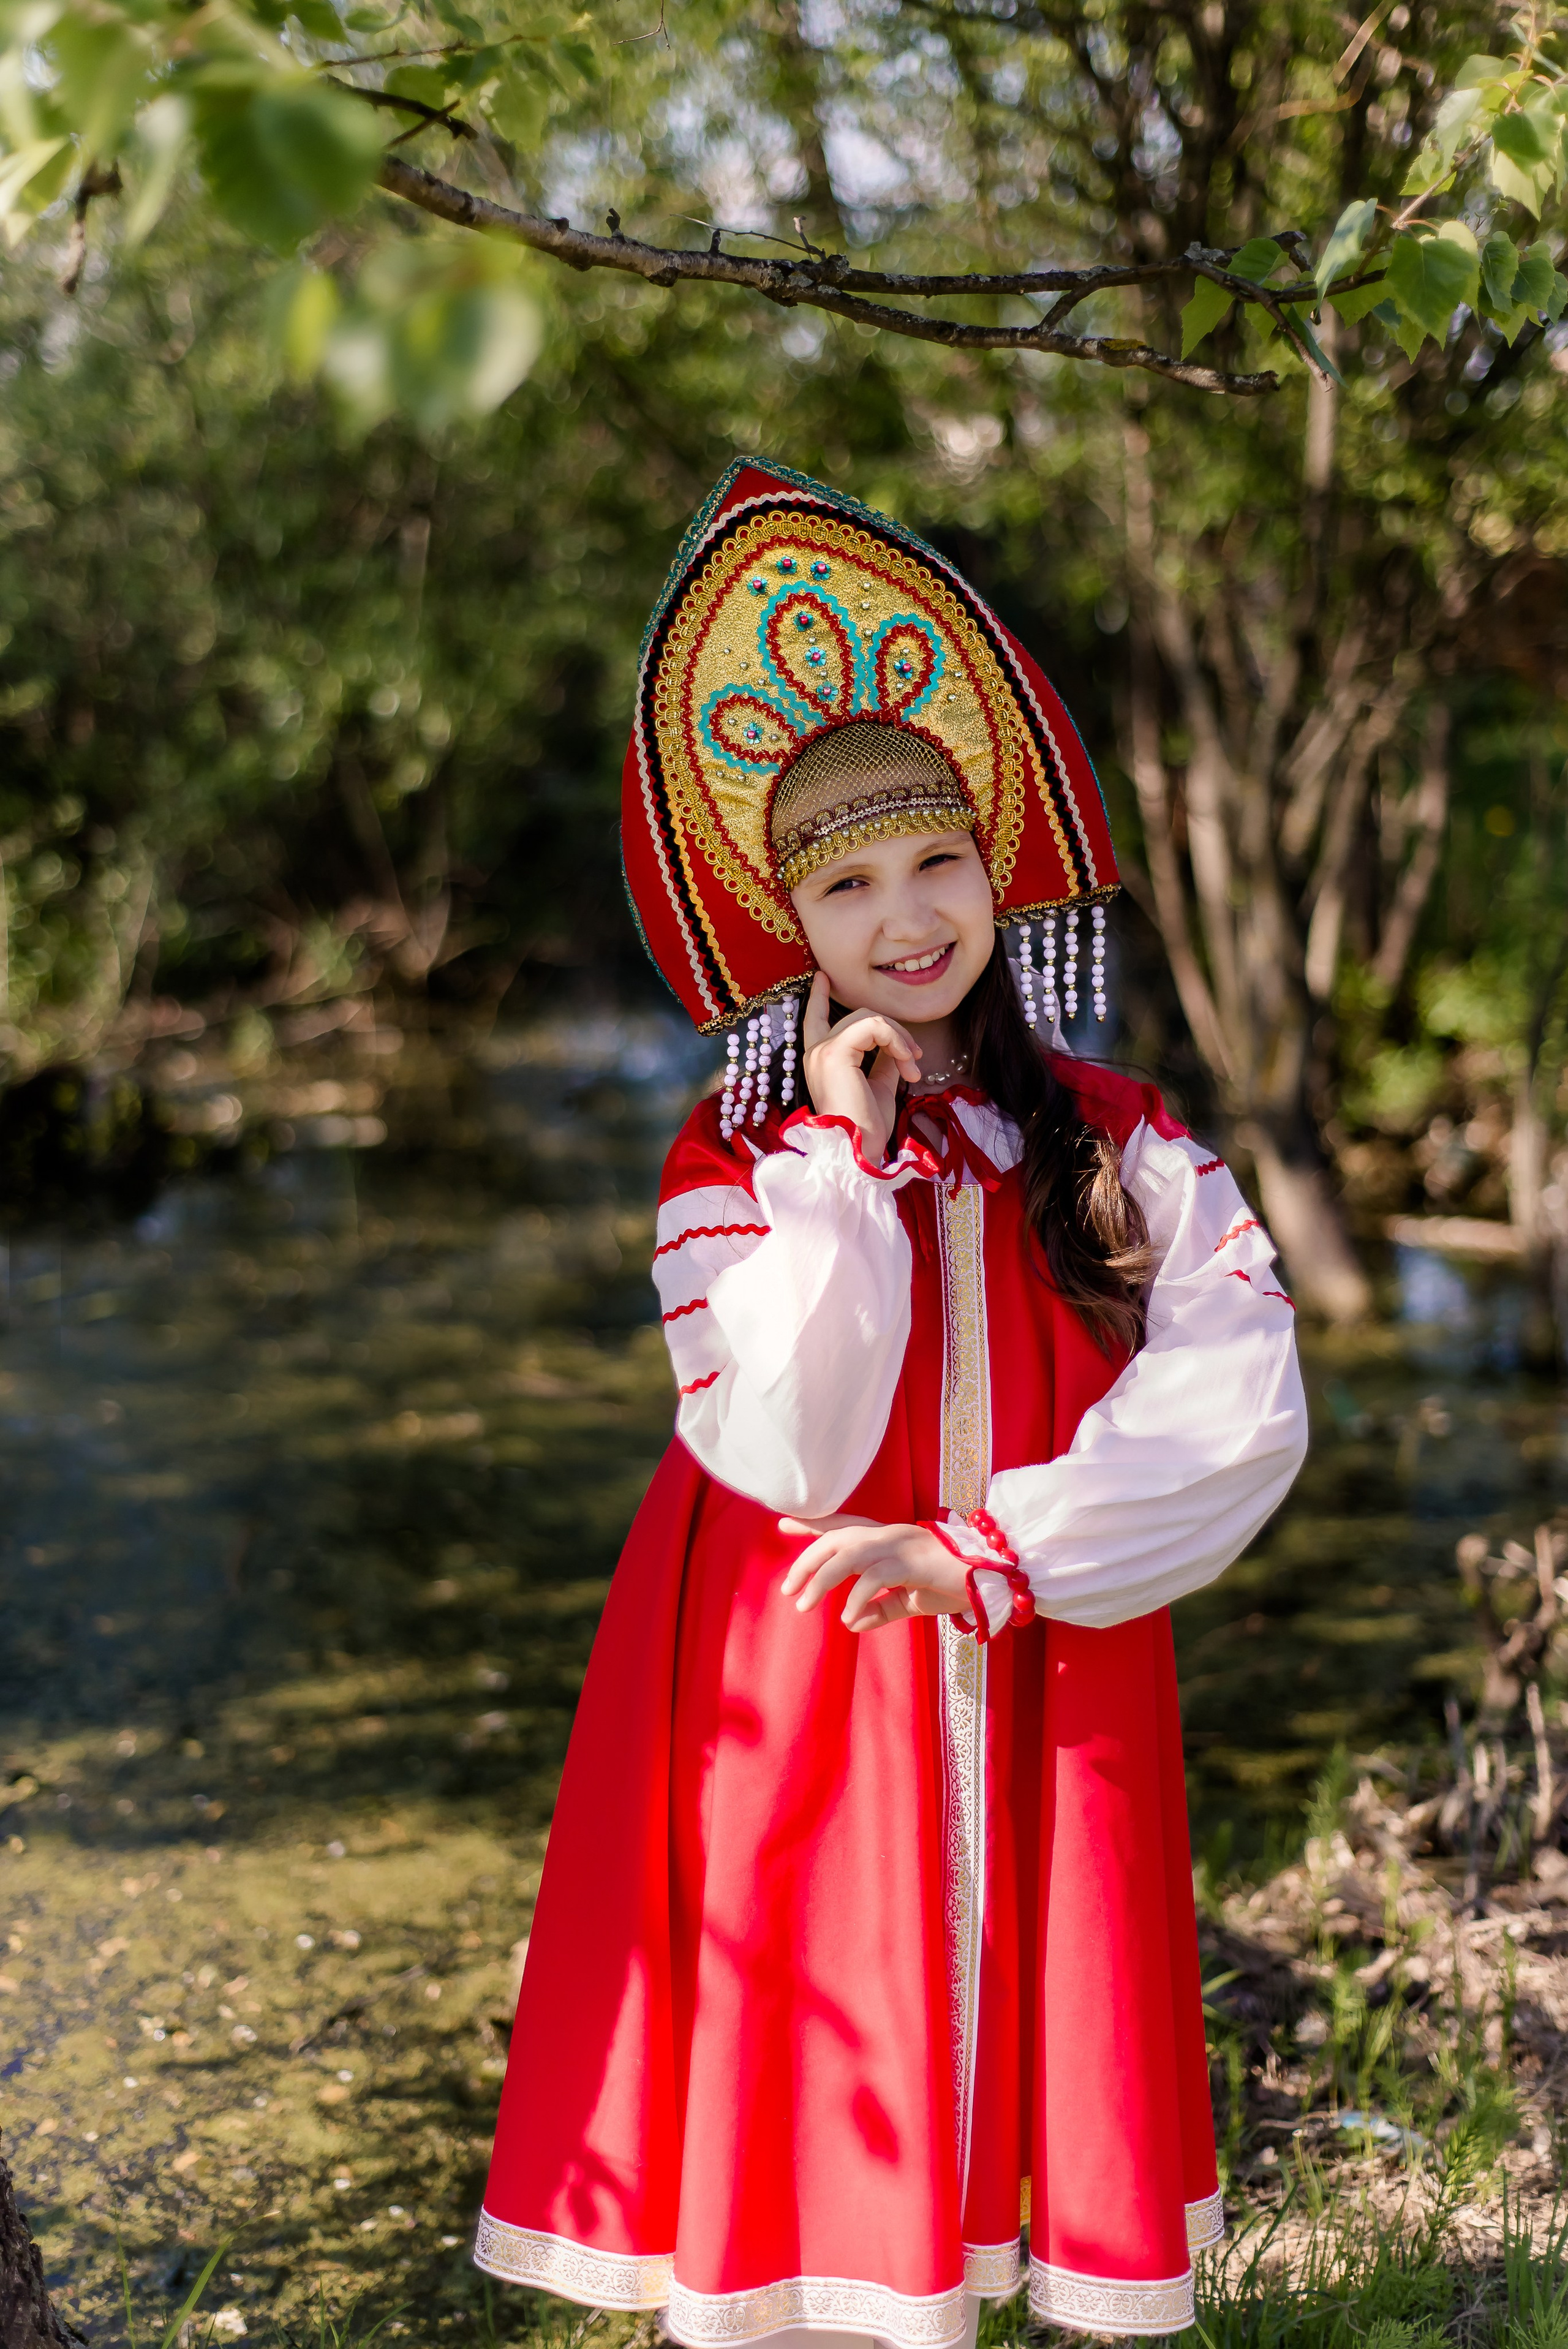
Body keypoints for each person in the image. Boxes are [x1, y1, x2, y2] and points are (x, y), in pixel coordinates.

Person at [476, 459, 1308, 2347]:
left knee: (1034, 2030)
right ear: (795, 924)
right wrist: (848, 1158)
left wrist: (1002, 1550)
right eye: (845, 884)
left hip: (1038, 1629)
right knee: (814, 2073)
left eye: (937, 860)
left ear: (997, 862)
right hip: (803, 1655)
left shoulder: (1117, 1140)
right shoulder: (739, 1152)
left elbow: (1245, 1393)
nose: (907, 916)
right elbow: (777, 1429)